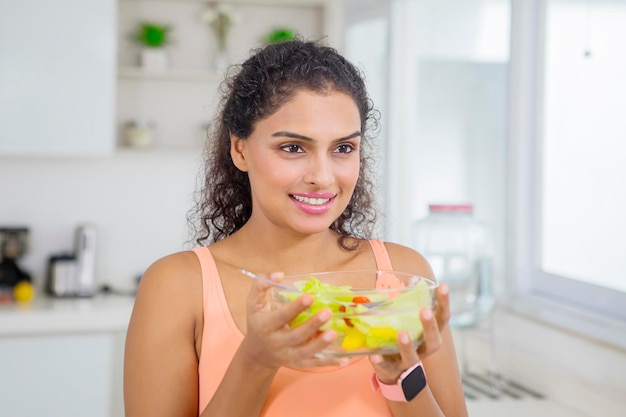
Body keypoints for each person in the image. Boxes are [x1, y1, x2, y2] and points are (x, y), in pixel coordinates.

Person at [124, 39, 468, 417]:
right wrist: (256, 360)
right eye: (293, 148)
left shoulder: (404, 280)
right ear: (239, 150)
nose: (322, 177)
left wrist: (400, 378)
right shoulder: (177, 286)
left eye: (342, 149)